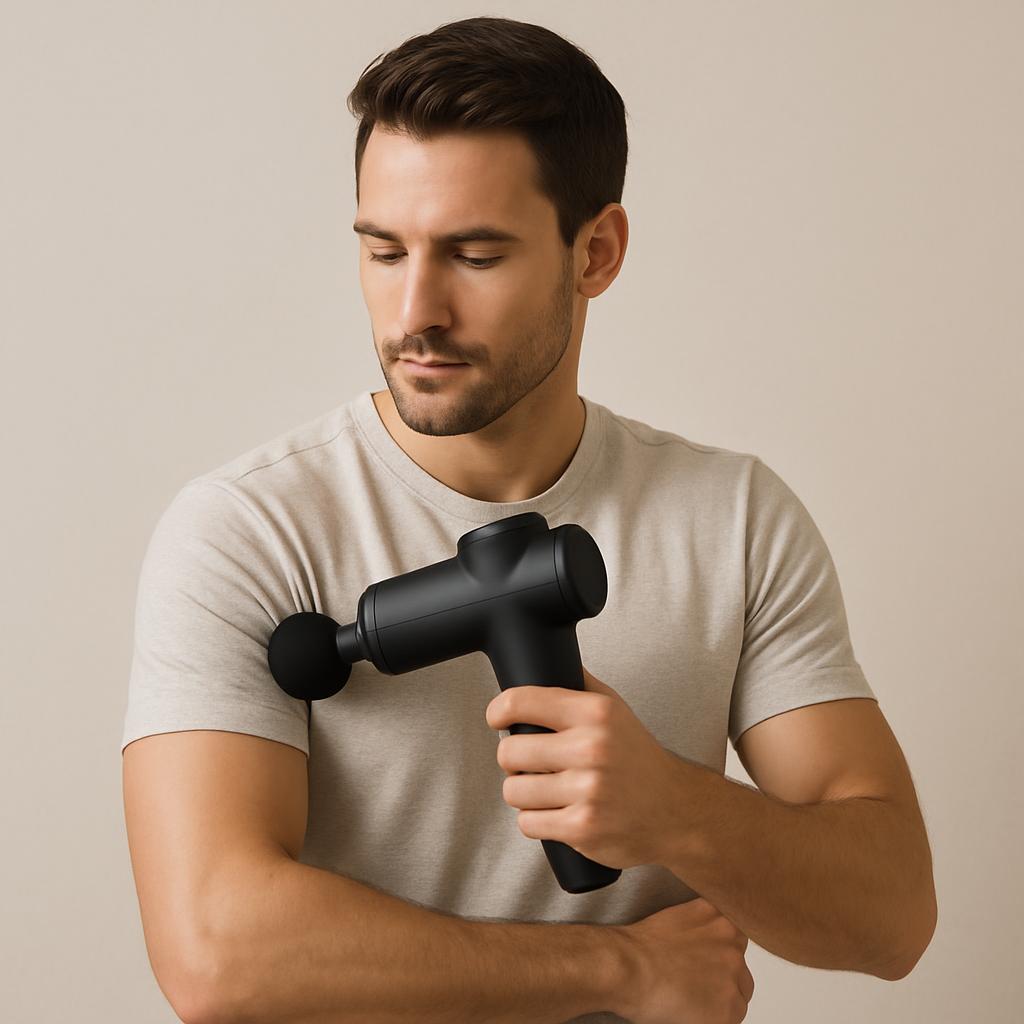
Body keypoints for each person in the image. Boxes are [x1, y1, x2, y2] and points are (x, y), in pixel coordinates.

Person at [120, 16, 935, 1024]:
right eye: (383, 250)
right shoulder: (248, 533)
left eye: (472, 255)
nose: (413, 309)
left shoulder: (732, 519)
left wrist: (673, 806)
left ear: (595, 252)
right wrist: (621, 970)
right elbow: (216, 953)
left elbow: (892, 917)